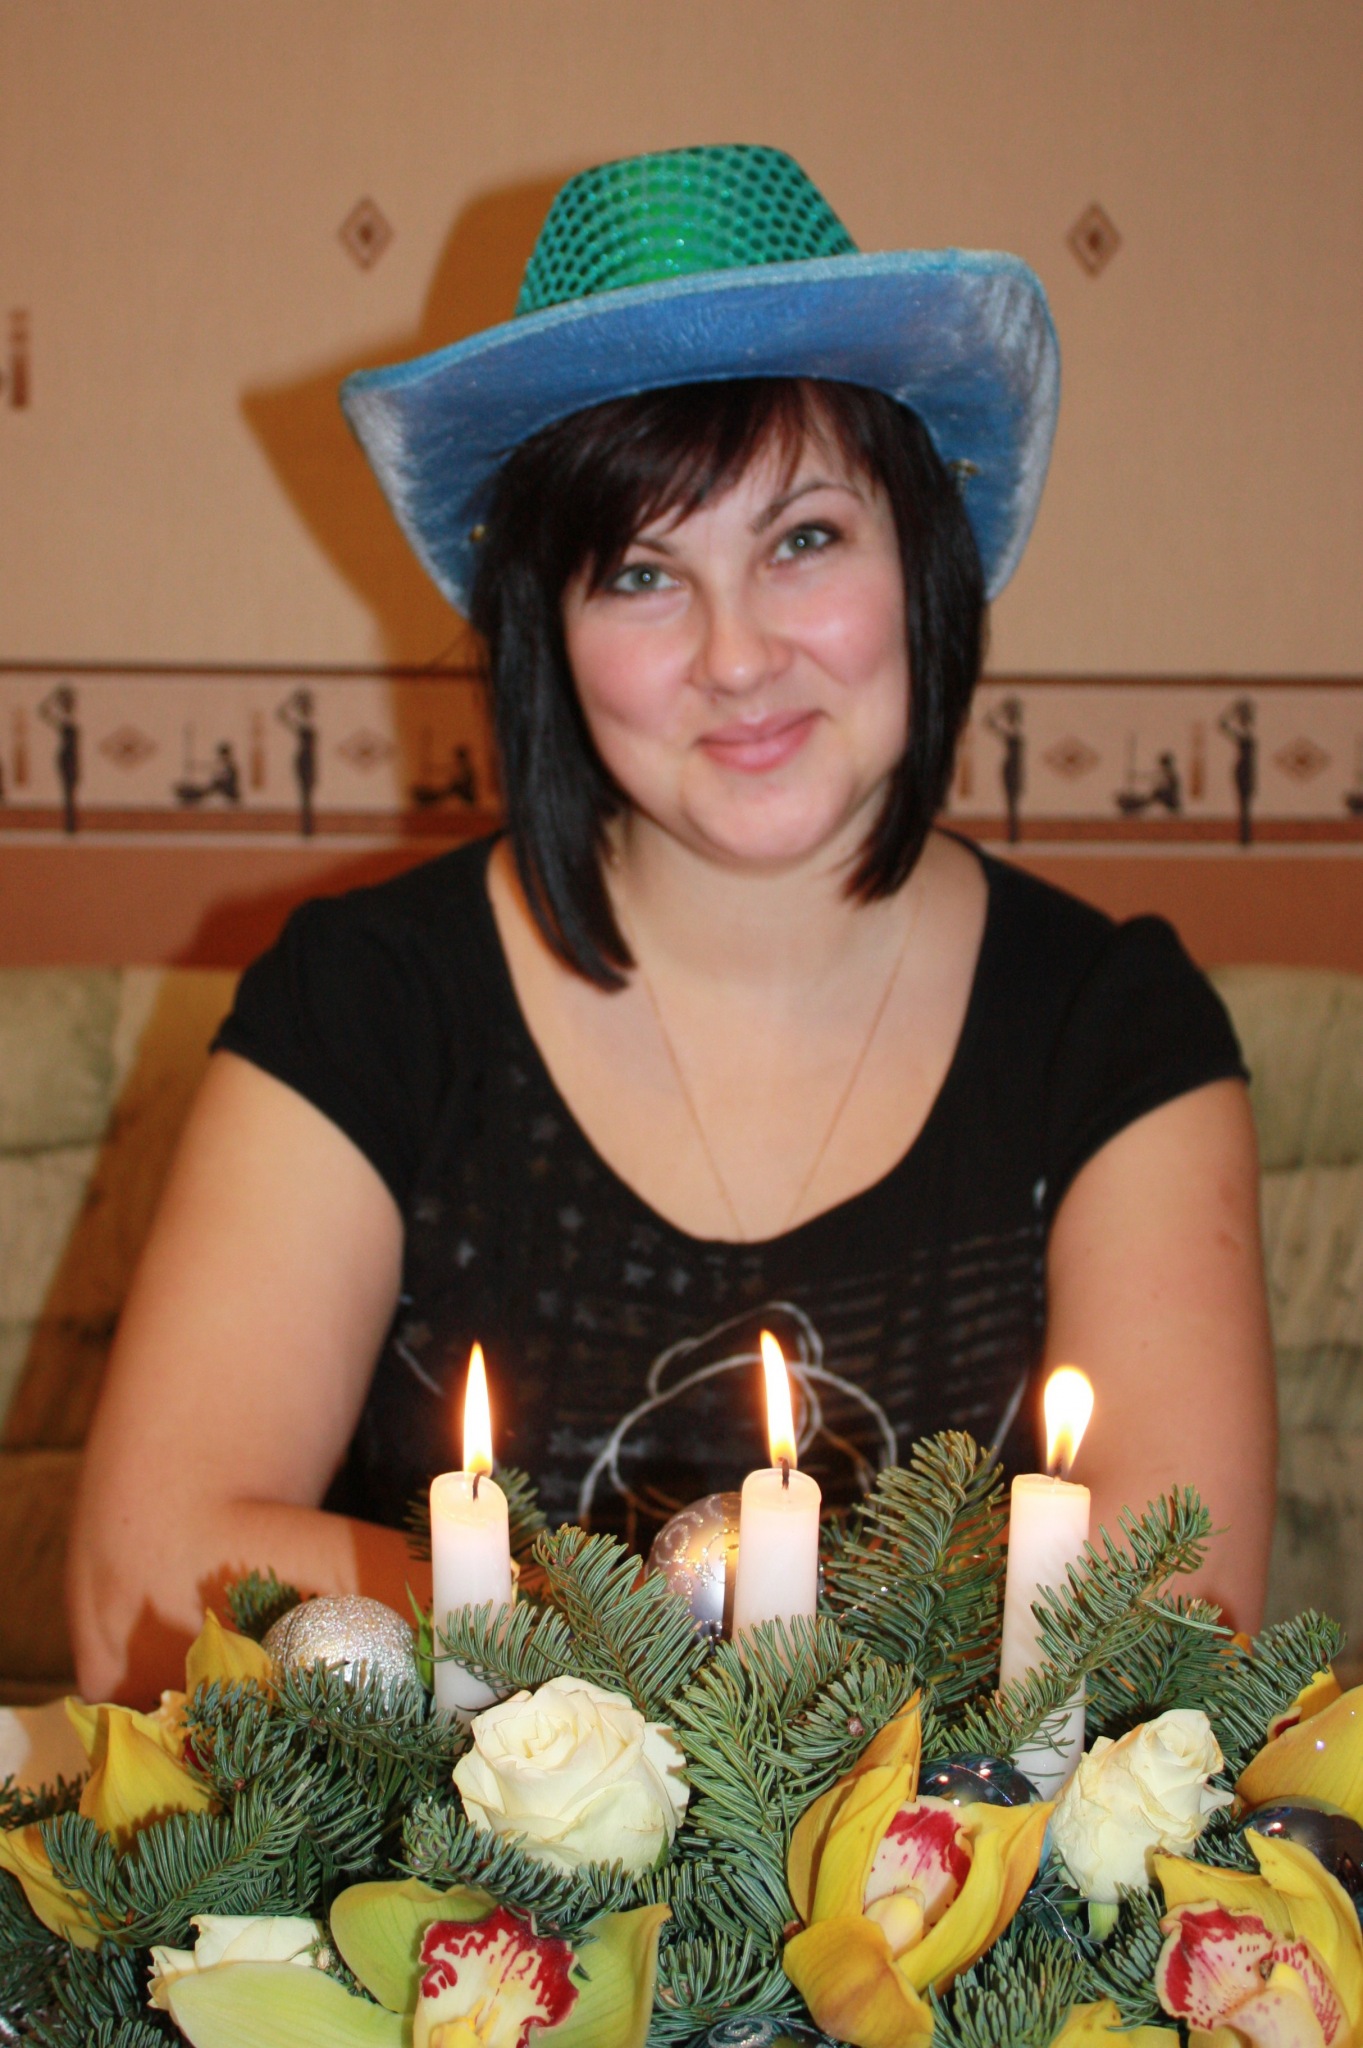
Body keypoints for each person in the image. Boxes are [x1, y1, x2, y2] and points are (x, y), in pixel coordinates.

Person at [68, 146, 1276, 1706]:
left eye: (804, 539)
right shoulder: (363, 1004)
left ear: (923, 558)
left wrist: (589, 1665)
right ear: (547, 632)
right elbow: (138, 1583)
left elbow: (1177, 1614)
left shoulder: (1114, 1024)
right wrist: (663, 1669)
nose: (736, 654)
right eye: (642, 571)